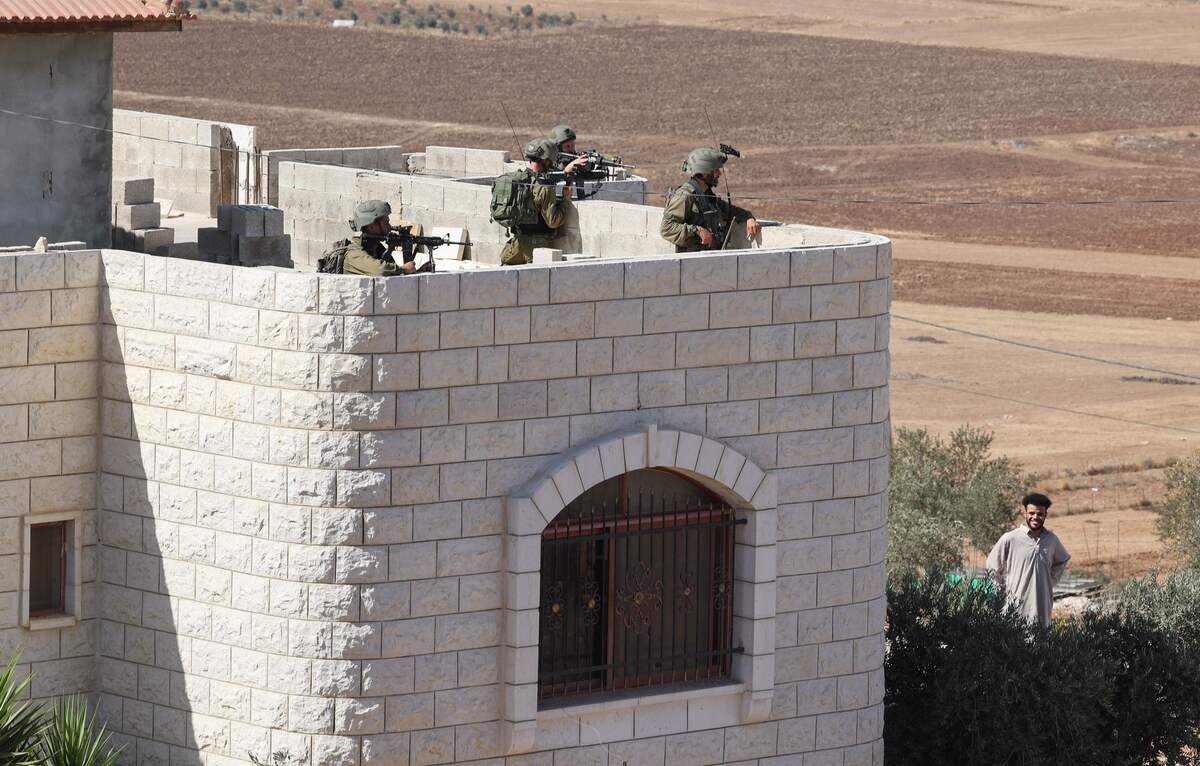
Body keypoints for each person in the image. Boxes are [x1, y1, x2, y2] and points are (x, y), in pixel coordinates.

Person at [491, 138, 586, 266]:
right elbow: (553, 221)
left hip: (515, 247)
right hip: (537, 251)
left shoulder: (518, 180)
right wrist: (565, 200)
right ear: (546, 161)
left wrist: (565, 171)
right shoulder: (544, 188)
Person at [985, 492, 1071, 628]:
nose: (1035, 517)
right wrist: (1000, 590)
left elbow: (1062, 559)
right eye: (1031, 513)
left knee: (1041, 645)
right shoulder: (1010, 538)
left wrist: (1050, 580)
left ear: (1045, 515)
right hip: (1015, 608)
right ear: (1025, 513)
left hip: (1043, 607)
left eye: (1040, 514)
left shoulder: (1051, 540)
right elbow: (992, 566)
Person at [660, 147, 761, 253]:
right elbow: (666, 228)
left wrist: (749, 218)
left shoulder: (707, 196)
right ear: (704, 172)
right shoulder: (685, 196)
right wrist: (696, 230)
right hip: (691, 262)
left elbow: (733, 211)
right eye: (715, 170)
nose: (719, 174)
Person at [338, 199, 416, 277]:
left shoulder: (376, 248)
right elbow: (380, 270)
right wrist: (404, 269)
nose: (389, 227)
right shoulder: (354, 254)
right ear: (371, 226)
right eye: (385, 223)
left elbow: (393, 270)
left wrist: (416, 269)